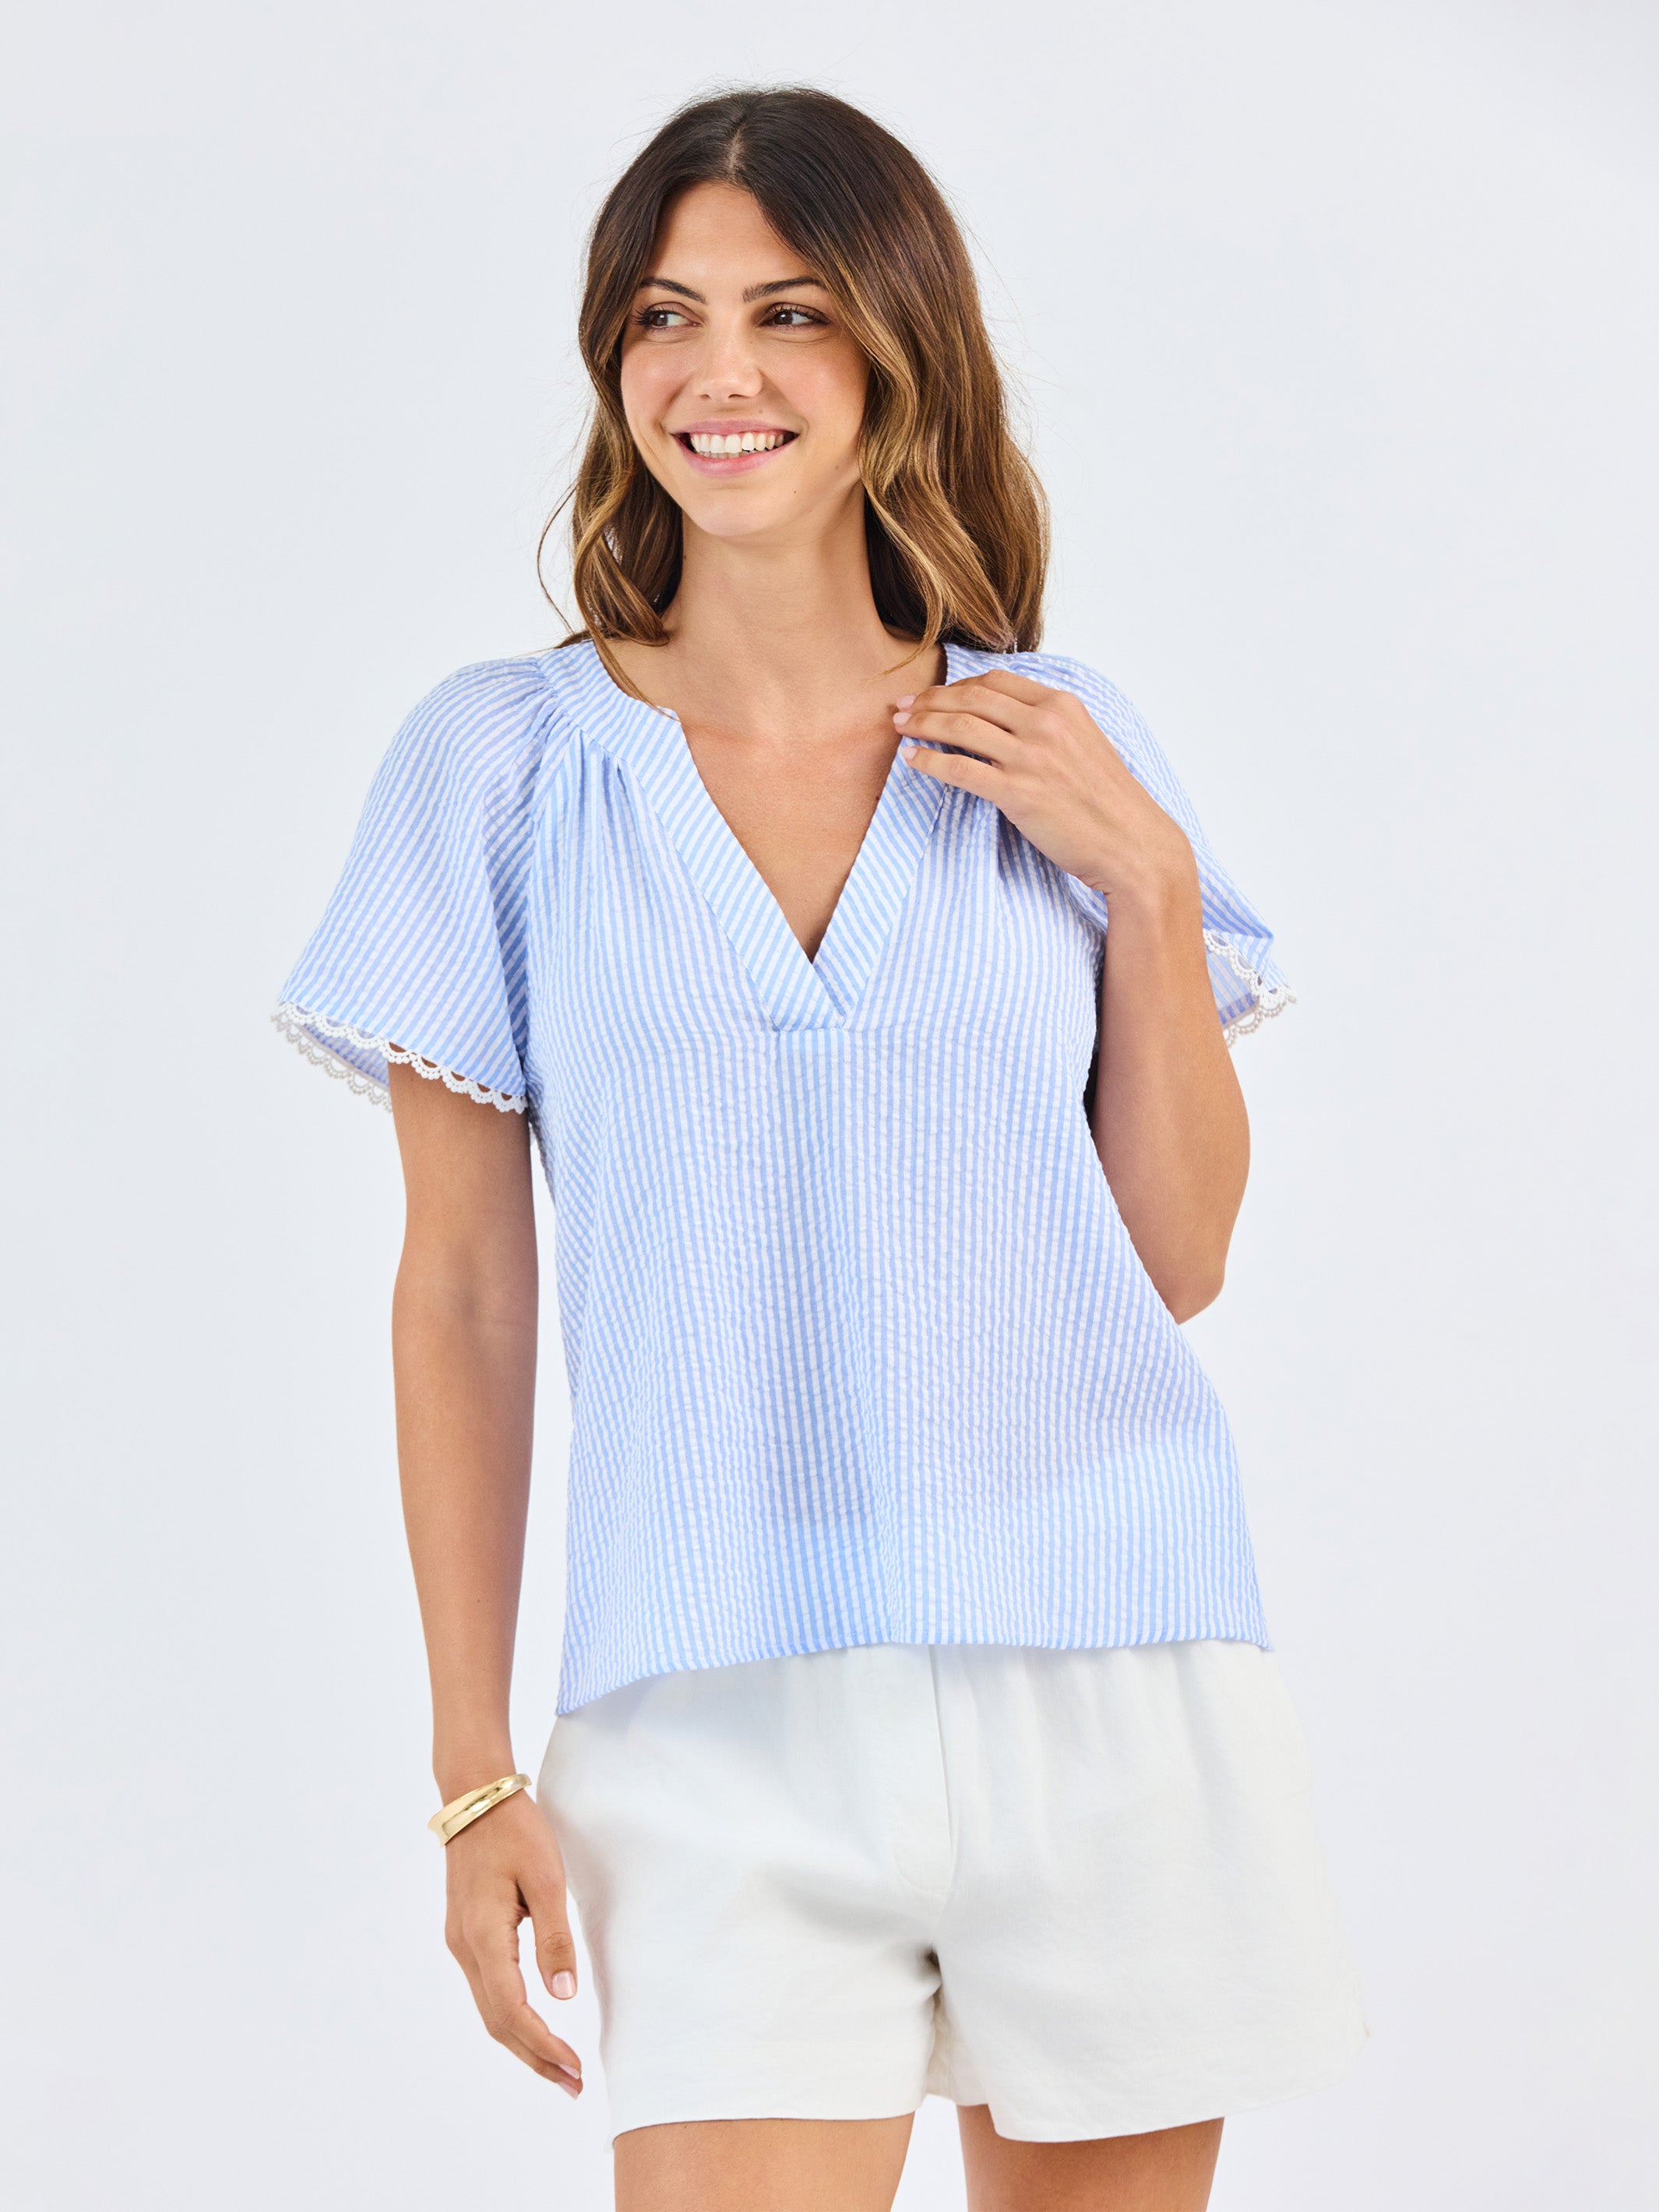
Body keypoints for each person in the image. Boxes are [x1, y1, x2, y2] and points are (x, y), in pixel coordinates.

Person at [274, 84, 1365, 2212]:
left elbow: (1171, 1259)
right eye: (664, 316)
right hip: (707, 1718)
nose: (722, 372)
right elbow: (464, 1293)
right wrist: (471, 1771)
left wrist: (1147, 888)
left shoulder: (1059, 745)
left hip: (1110, 1676)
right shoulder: (499, 770)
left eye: (789, 312)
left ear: (894, 346)